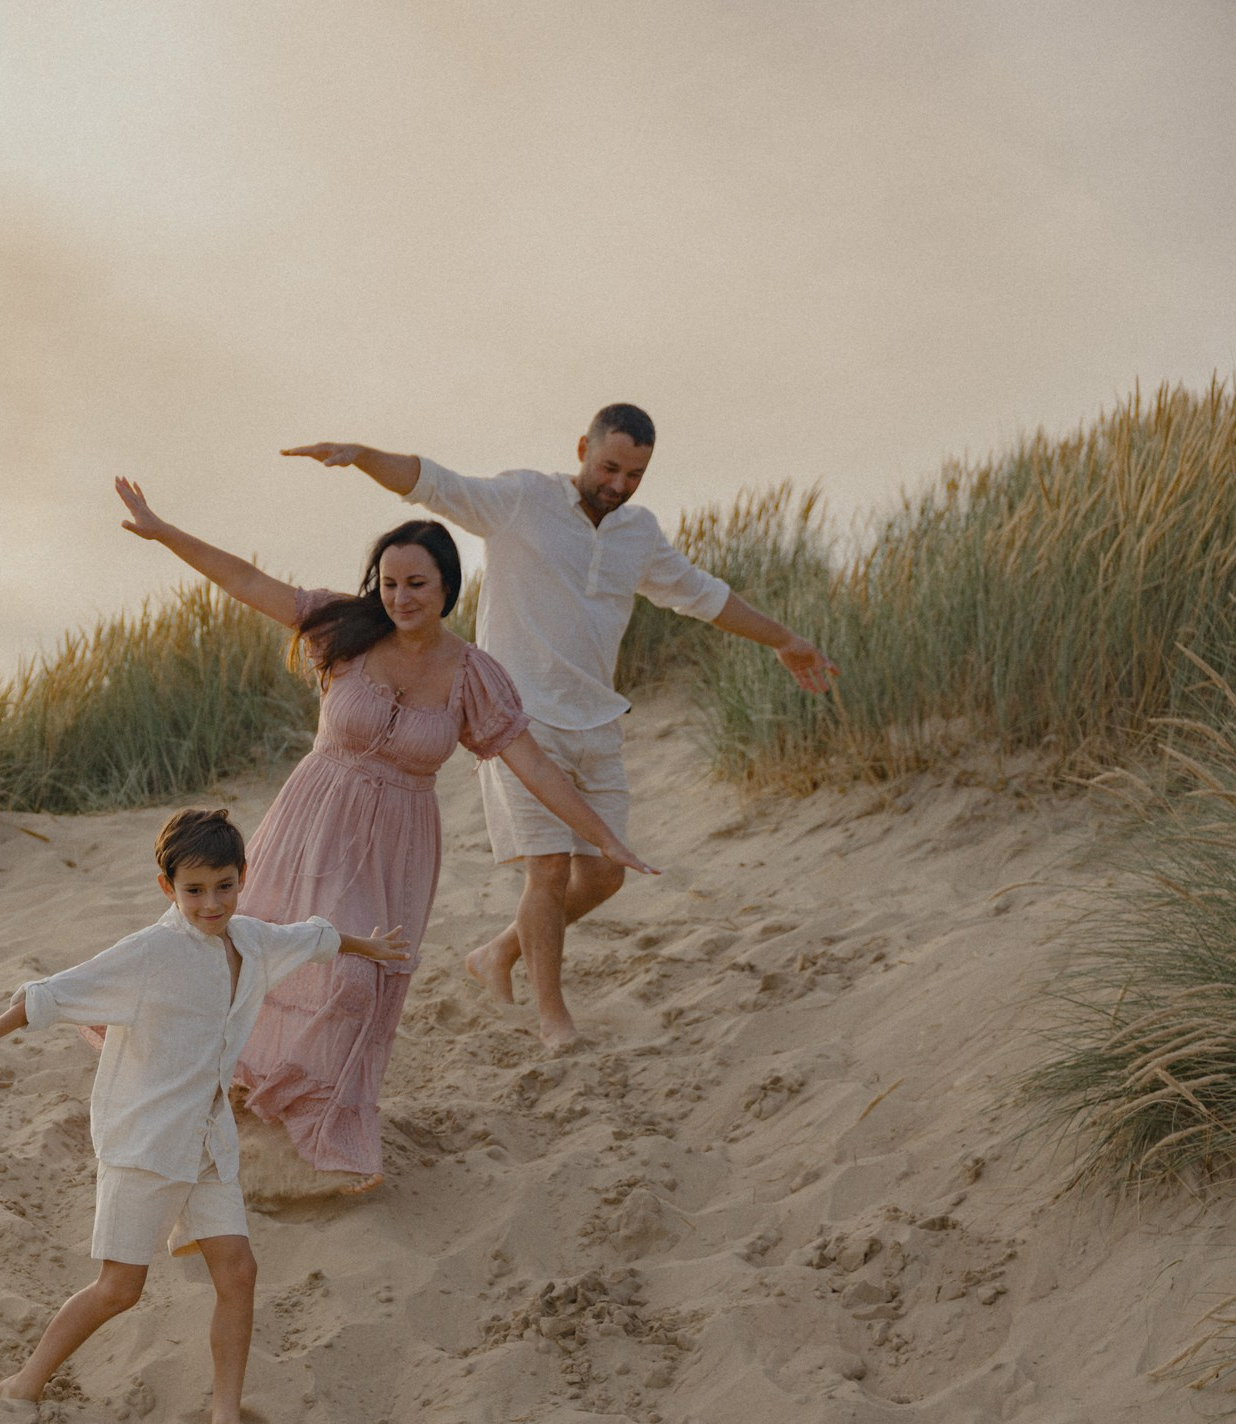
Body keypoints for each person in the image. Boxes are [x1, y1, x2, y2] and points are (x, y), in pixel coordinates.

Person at [112, 479, 655, 1193]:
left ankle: (311, 1110)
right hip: (315, 817)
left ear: (448, 586)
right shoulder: (343, 629)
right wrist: (162, 529)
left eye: (418, 583)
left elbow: (531, 763)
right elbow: (245, 579)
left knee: (358, 979)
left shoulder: (474, 675)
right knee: (260, 950)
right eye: (391, 582)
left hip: (398, 843)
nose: (402, 597)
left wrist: (601, 835)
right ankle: (221, 1082)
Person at [283, 405, 839, 1047]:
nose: (620, 484)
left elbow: (703, 595)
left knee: (604, 873)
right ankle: (554, 1019)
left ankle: (498, 953)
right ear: (583, 448)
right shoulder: (523, 500)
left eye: (636, 473)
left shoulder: (639, 533)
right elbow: (437, 483)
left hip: (597, 720)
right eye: (609, 466)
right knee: (546, 870)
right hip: (521, 721)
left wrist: (786, 640)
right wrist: (362, 454)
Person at [0, 807, 409, 1424]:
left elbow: (314, 936)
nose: (212, 902)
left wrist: (368, 947)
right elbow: (59, 991)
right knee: (120, 1288)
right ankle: (24, 1382)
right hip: (145, 1145)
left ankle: (227, 1417)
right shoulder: (152, 953)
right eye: (195, 889)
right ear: (168, 889)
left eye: (225, 885)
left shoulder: (254, 940)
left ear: (242, 878)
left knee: (239, 1271)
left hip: (208, 1142)